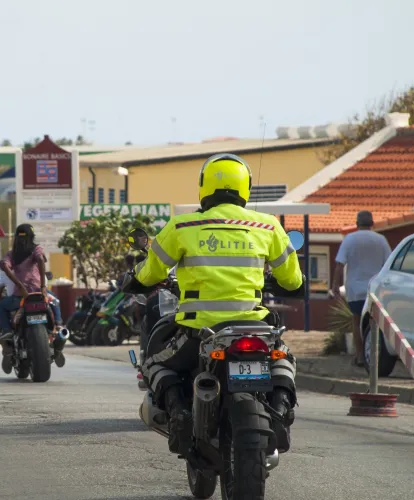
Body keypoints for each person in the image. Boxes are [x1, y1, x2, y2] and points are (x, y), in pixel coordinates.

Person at [122, 153, 304, 461]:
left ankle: (179, 410)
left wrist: (135, 279)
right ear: (245, 187)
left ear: (204, 187)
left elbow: (151, 272)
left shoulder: (183, 225)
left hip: (198, 330)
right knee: (283, 358)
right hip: (253, 326)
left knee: (155, 361)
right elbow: (293, 281)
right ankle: (282, 408)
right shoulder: (269, 226)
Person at [330, 210, 391, 366]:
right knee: (375, 323)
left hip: (356, 290)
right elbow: (388, 265)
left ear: (357, 224)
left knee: (356, 322)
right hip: (376, 289)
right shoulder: (381, 240)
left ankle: (360, 356)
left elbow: (340, 264)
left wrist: (335, 285)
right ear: (372, 224)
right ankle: (376, 355)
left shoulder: (350, 239)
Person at [0, 224, 48, 368]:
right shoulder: (36, 249)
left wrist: (19, 285)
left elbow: (4, 265)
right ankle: (57, 328)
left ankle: (7, 331)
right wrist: (43, 286)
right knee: (53, 304)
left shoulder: (12, 254)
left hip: (20, 297)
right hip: (39, 295)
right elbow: (40, 259)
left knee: (2, 306)